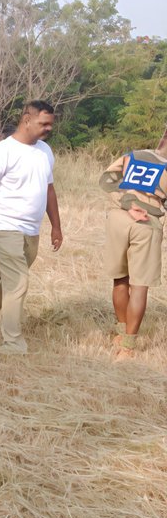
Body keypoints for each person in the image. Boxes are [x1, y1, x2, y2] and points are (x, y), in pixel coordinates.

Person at [0, 100, 63, 353]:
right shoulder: (2, 151)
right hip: (1, 227)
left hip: (31, 230)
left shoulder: (45, 151)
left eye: (51, 124)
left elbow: (49, 191)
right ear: (27, 119)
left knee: (6, 279)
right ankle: (13, 343)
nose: (48, 128)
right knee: (18, 281)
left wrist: (56, 226)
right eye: (44, 123)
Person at [97, 134, 167, 358]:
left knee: (120, 279)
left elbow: (106, 181)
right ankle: (128, 346)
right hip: (147, 221)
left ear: (162, 139)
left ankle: (120, 332)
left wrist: (126, 204)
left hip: (119, 218)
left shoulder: (133, 155)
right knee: (139, 286)